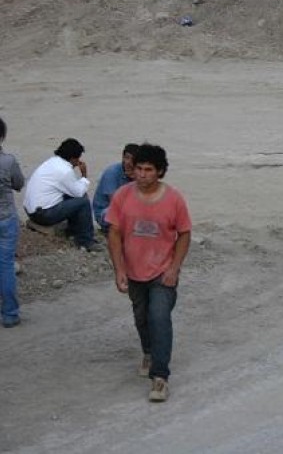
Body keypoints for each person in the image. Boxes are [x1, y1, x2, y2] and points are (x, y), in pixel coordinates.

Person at [106, 143, 191, 403]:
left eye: (149, 170)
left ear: (160, 172)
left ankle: (160, 377)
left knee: (159, 317)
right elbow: (114, 233)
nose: (142, 174)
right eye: (139, 169)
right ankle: (148, 351)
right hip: (133, 272)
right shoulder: (122, 196)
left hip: (162, 272)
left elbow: (184, 233)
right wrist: (119, 269)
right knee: (141, 317)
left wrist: (174, 268)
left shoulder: (174, 199)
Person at [23, 138, 99, 251]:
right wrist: (84, 175)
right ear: (73, 158)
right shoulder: (64, 171)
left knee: (74, 195)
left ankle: (73, 231)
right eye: (78, 158)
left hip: (32, 209)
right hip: (42, 214)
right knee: (83, 201)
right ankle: (86, 241)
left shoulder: (52, 162)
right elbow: (79, 192)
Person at [0, 118, 25, 328]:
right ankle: (9, 313)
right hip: (6, 218)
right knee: (6, 265)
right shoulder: (8, 161)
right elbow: (19, 184)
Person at [93, 143, 139, 234]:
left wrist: (136, 180)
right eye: (126, 158)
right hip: (105, 212)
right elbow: (116, 203)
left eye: (132, 159)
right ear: (122, 157)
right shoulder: (112, 173)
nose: (128, 162)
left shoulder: (139, 174)